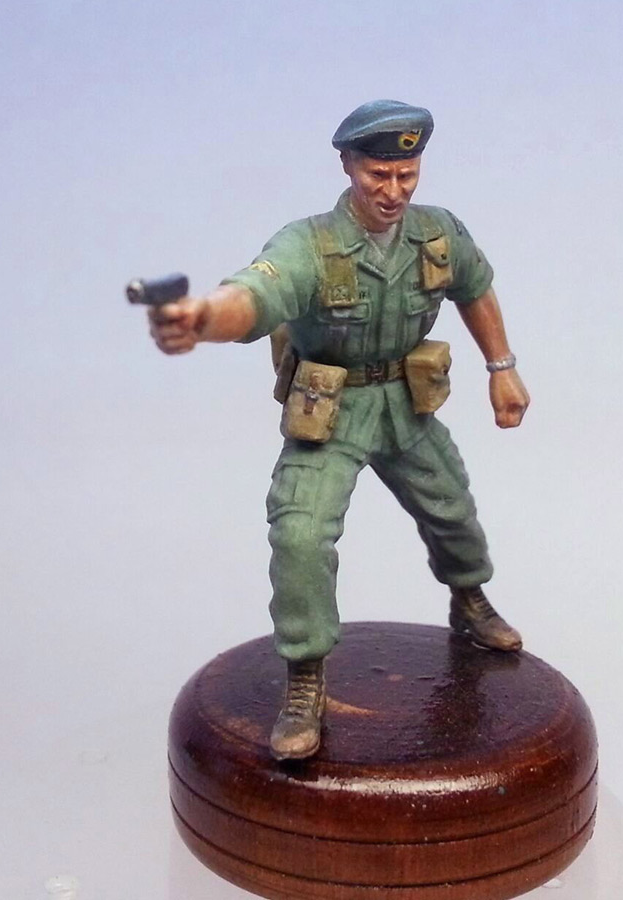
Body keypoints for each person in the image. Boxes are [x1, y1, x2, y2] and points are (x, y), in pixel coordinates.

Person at [149, 100, 530, 761]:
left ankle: (469, 600)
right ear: (349, 165)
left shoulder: (436, 233)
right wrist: (201, 318)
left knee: (452, 508)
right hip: (331, 409)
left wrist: (503, 367)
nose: (393, 191)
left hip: (406, 402)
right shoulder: (307, 245)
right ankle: (304, 674)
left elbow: (476, 287)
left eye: (406, 175)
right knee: (299, 534)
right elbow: (254, 296)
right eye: (378, 174)